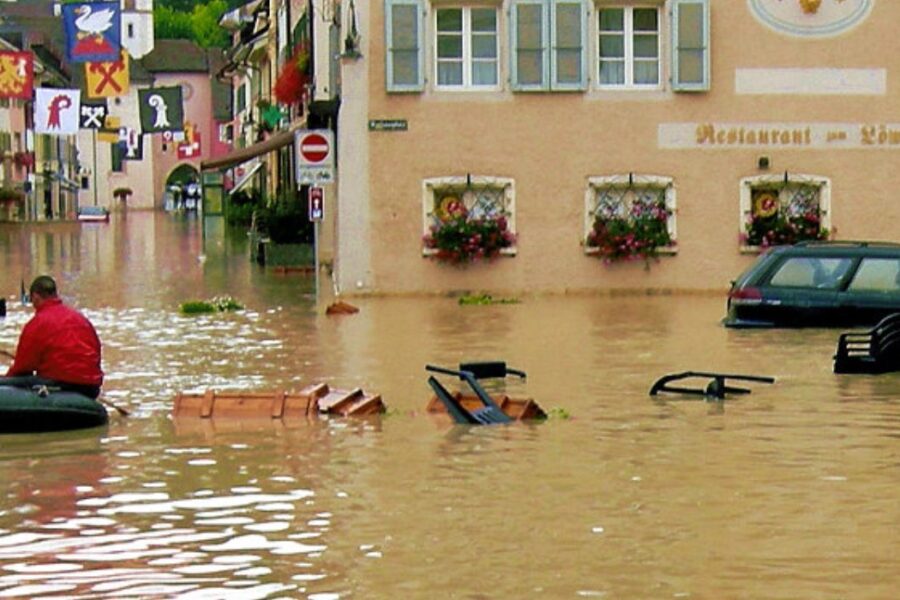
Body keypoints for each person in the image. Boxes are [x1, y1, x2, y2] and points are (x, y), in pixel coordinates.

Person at [1, 276, 103, 399]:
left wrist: (6, 378)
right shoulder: (82, 320)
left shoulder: (37, 323)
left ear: (35, 297)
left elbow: (22, 368)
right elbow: (96, 351)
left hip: (58, 384)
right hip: (91, 387)